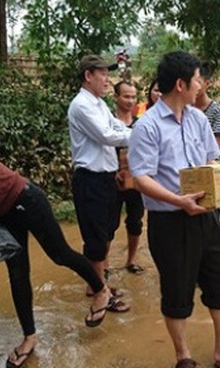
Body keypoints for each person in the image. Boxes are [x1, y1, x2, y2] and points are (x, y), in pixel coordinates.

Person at [128, 51, 220, 368]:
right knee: (177, 290)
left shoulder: (199, 119)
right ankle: (183, 356)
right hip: (169, 220)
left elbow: (210, 159)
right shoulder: (147, 126)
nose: (201, 84)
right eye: (198, 79)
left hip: (206, 215)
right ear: (181, 83)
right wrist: (179, 201)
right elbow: (141, 178)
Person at [0, 147, 115, 368]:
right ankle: (29, 337)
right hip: (6, 215)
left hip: (27, 200)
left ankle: (101, 290)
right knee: (18, 274)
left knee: (60, 254)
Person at [67, 55, 132, 308]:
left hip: (105, 179)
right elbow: (107, 135)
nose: (107, 79)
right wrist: (142, 136)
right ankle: (100, 293)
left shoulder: (99, 104)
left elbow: (116, 127)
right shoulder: (81, 106)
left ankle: (96, 283)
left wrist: (136, 133)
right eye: (103, 73)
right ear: (88, 76)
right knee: (95, 237)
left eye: (108, 73)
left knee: (105, 231)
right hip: (90, 180)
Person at [111, 81, 145, 274]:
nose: (130, 101)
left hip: (136, 182)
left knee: (135, 221)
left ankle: (131, 260)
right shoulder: (107, 123)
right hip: (112, 181)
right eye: (126, 96)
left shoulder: (140, 124)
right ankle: (104, 265)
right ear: (116, 97)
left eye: (133, 97)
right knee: (109, 224)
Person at [196, 62, 220, 158]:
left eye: (198, 83)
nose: (195, 87)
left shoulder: (217, 111)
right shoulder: (184, 108)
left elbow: (214, 148)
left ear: (207, 84)